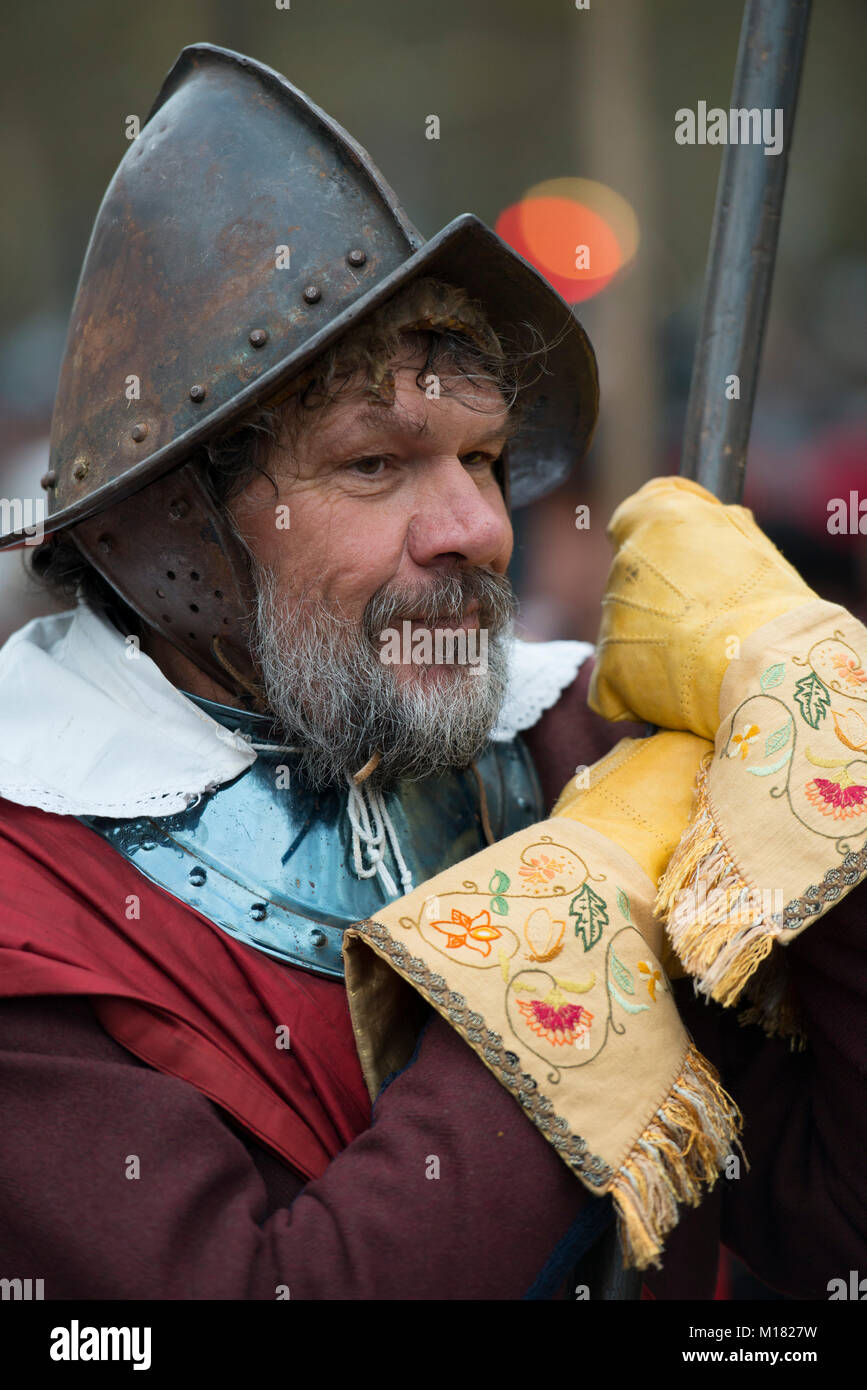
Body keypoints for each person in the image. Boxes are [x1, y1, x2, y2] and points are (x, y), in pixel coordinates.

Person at [0, 43, 863, 1302]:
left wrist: (815, 726)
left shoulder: (583, 752)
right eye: (375, 465)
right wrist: (568, 934)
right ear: (175, 529)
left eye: (486, 458)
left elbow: (824, 1234)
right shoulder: (39, 911)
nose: (477, 527)